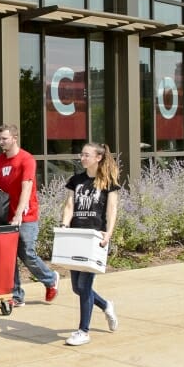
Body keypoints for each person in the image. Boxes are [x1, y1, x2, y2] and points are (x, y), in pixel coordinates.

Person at [0, 123, 59, 307]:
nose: (1, 142)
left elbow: (26, 188)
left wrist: (18, 214)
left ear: (14, 138)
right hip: (4, 216)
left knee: (26, 253)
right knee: (9, 256)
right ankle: (16, 296)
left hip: (26, 216)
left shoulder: (26, 159)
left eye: (4, 138)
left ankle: (50, 279)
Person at [60, 142, 121, 346]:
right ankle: (105, 305)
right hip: (76, 236)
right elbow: (69, 205)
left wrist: (108, 234)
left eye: (87, 155)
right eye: (82, 154)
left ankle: (83, 331)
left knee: (85, 285)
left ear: (98, 158)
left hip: (95, 239)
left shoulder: (108, 182)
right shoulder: (75, 180)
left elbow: (112, 210)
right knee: (77, 288)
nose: (82, 157)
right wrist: (64, 224)